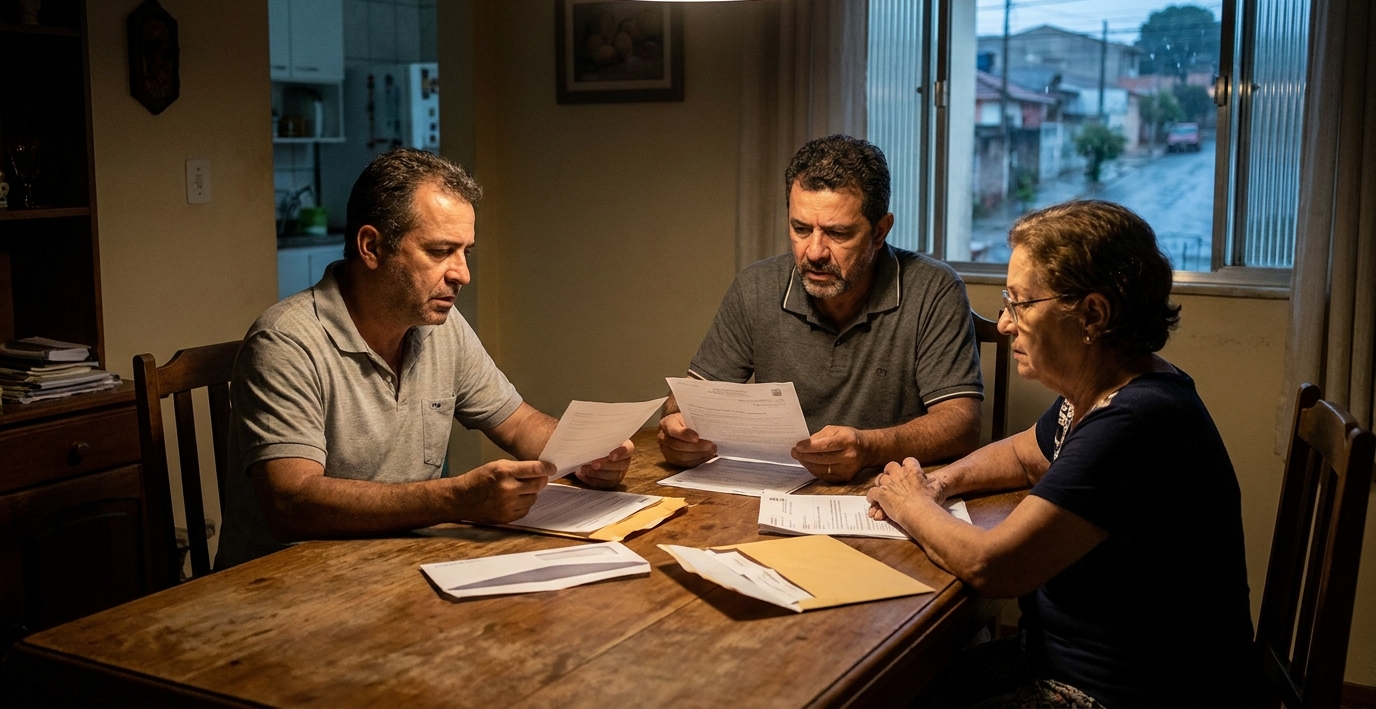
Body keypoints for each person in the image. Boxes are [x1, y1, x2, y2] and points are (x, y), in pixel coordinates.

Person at [867, 201, 1262, 708]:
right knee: (906, 687)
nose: (1005, 324)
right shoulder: (1106, 391)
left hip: (1112, 694)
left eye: (1020, 303)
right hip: (1061, 663)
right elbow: (1025, 452)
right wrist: (939, 485)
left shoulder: (1133, 422)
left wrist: (910, 503)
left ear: (1093, 314)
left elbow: (993, 567)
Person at [217, 149, 632, 568]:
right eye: (439, 251)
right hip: (287, 584)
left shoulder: (440, 327)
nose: (462, 274)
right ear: (371, 246)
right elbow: (292, 504)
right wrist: (456, 498)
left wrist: (589, 455)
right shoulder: (286, 342)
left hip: (399, 564)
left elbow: (519, 422)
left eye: (465, 251)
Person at [658, 134, 983, 483]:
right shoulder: (755, 286)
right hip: (777, 489)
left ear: (879, 231)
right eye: (800, 229)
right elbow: (689, 397)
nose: (814, 251)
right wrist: (677, 428)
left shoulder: (934, 288)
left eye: (837, 233)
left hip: (882, 489)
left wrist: (870, 447)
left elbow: (962, 423)